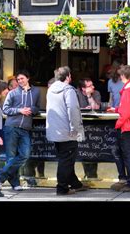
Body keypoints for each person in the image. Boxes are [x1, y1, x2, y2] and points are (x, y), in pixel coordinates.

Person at [46, 66, 88, 195]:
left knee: (66, 159)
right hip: (68, 132)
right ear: (68, 76)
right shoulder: (69, 90)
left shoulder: (50, 90)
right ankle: (62, 188)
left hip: (55, 132)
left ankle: (75, 184)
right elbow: (73, 110)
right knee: (66, 161)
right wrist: (76, 130)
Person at [0, 70, 40, 191]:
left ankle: (1, 174)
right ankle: (15, 183)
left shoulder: (36, 92)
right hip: (11, 127)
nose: (20, 81)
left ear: (28, 78)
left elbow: (37, 107)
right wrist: (19, 110)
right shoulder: (12, 93)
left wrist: (31, 110)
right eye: (18, 79)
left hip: (25, 129)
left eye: (22, 78)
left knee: (25, 155)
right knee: (11, 157)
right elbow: (5, 109)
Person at [76, 78, 101, 179]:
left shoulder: (96, 93)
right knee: (83, 150)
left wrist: (89, 96)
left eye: (92, 85)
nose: (93, 87)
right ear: (83, 88)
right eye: (90, 86)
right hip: (81, 125)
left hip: (94, 126)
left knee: (93, 150)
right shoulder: (76, 93)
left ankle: (92, 175)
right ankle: (87, 174)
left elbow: (96, 107)